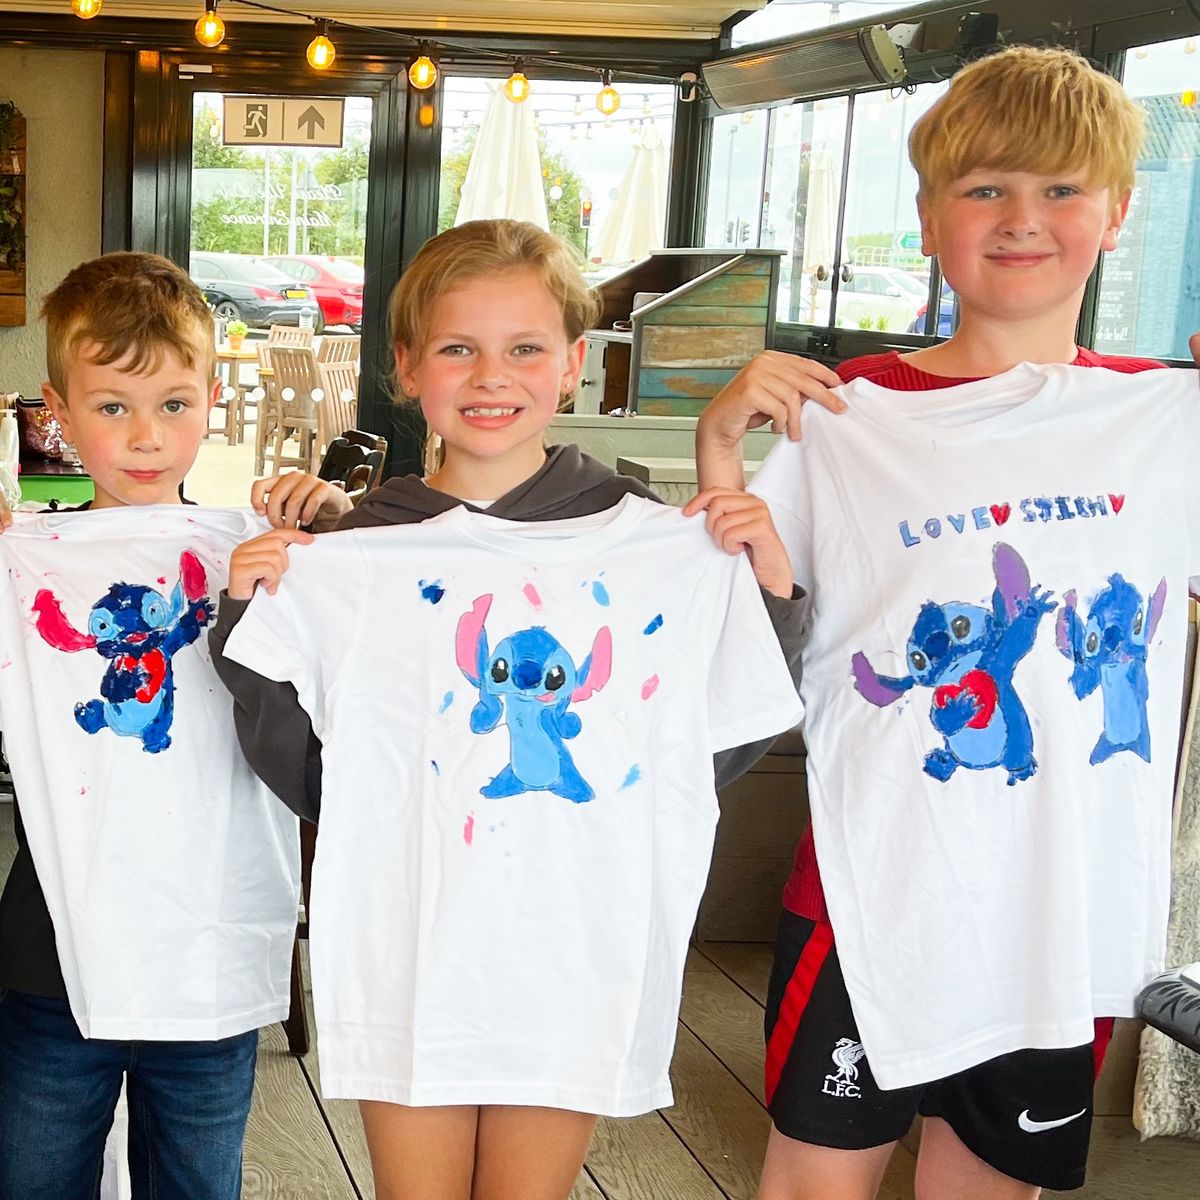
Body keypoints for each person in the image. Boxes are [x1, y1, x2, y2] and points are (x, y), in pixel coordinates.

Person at [208, 218, 806, 1200]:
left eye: (525, 347)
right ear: (406, 366)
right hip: (413, 950)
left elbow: (698, 750)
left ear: (574, 364)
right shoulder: (358, 556)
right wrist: (253, 623)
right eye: (459, 348)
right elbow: (320, 777)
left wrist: (769, 597)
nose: (493, 375)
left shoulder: (651, 544)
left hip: (572, 953)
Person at [694, 46, 1200, 1200]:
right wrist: (725, 454)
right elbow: (729, 635)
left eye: (1062, 188)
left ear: (1119, 210)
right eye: (984, 188)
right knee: (807, 1187)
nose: (1023, 218)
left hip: (1057, 912)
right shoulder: (841, 414)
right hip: (869, 894)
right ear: (928, 217)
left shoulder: (1172, 420)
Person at [0, 250, 352, 1200]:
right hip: (56, 942)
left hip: (215, 940)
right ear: (56, 412)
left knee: (198, 1183)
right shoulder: (21, 559)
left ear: (211, 400)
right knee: (33, 1178)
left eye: (174, 404)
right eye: (112, 406)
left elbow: (368, 667)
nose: (145, 435)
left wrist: (338, 529)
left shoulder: (265, 551)